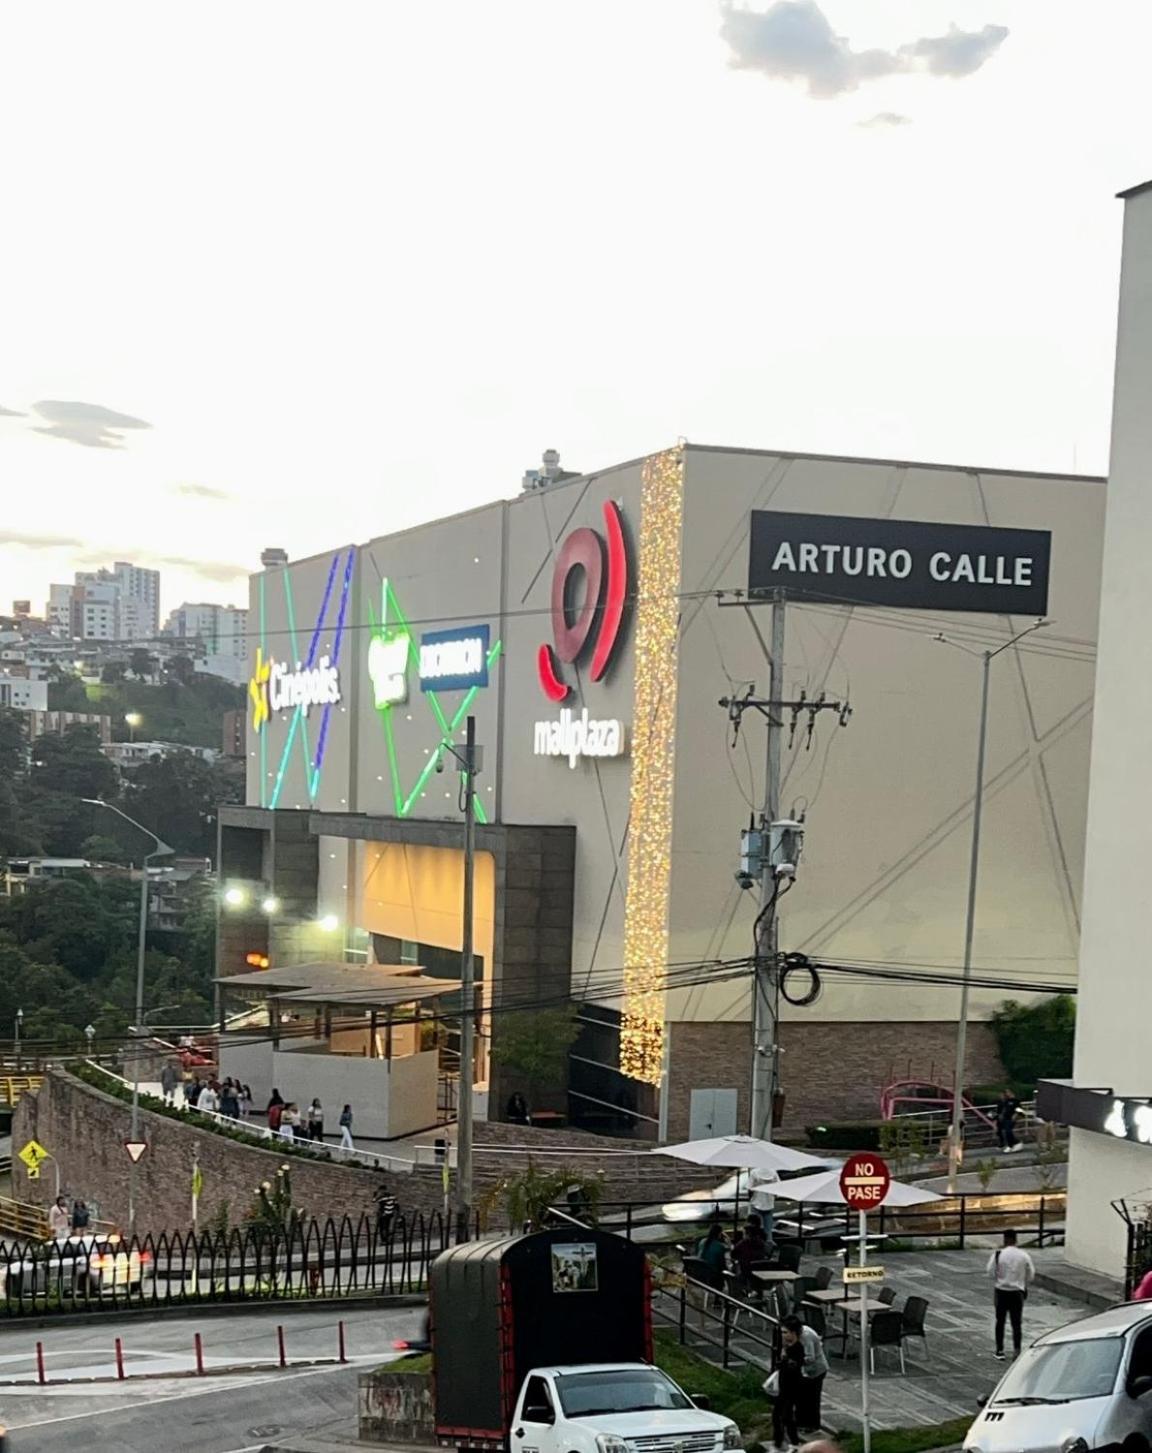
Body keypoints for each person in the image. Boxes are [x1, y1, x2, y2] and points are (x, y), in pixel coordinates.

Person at [988, 1229, 1035, 1360]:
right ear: (1016, 1239)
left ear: (1005, 1239)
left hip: (1001, 1291)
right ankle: (1017, 1349)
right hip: (1017, 1292)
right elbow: (1031, 1274)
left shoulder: (998, 1254)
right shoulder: (1024, 1255)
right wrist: (1022, 1281)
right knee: (1016, 1322)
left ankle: (999, 1350)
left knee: (1000, 1321)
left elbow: (990, 1272)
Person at [781, 1315, 829, 1433]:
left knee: (812, 1399)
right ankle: (800, 1422)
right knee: (800, 1398)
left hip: (816, 1370)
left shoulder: (806, 1337)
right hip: (803, 1371)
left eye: (785, 1332)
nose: (783, 1335)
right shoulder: (792, 1338)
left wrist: (796, 1359)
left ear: (793, 1332)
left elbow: (810, 1357)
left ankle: (812, 1425)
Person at [772, 1336, 805, 1453]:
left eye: (786, 1332)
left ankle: (795, 1443)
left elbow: (794, 1366)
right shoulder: (786, 1346)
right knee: (776, 1415)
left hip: (792, 1386)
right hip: (783, 1385)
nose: (783, 1335)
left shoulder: (798, 1348)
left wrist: (784, 1360)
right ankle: (778, 1441)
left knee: (787, 1416)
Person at [732, 1219, 770, 1290]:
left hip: (746, 1271)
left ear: (747, 1234)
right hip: (760, 1271)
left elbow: (733, 1254)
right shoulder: (762, 1243)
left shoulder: (743, 1243)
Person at [749, 1167, 779, 1244]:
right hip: (769, 1203)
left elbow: (750, 1188)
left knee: (756, 1227)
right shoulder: (773, 1172)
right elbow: (779, 1186)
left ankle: (756, 1244)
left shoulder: (754, 1172)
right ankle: (768, 1246)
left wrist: (750, 1198)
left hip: (756, 1202)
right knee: (768, 1229)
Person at [996, 1089, 1021, 1153]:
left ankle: (1011, 1145)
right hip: (1005, 1118)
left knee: (1008, 1130)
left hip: (1011, 1118)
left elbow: (1019, 1109)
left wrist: (1016, 1115)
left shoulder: (1015, 1101)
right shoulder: (1005, 1101)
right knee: (1000, 1131)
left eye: (1008, 1093)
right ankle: (1005, 1143)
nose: (1007, 1094)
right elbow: (1002, 1109)